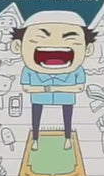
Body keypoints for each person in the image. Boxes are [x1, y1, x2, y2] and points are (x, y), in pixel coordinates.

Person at [10, 10, 96, 149]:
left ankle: (67, 138)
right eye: (41, 36)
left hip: (65, 99)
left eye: (70, 37)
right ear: (18, 46)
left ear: (88, 49)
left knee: (67, 117)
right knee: (36, 117)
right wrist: (51, 89)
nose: (55, 43)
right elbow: (26, 87)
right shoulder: (29, 70)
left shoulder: (77, 70)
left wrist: (51, 88)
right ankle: (35, 139)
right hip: (39, 99)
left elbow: (80, 87)